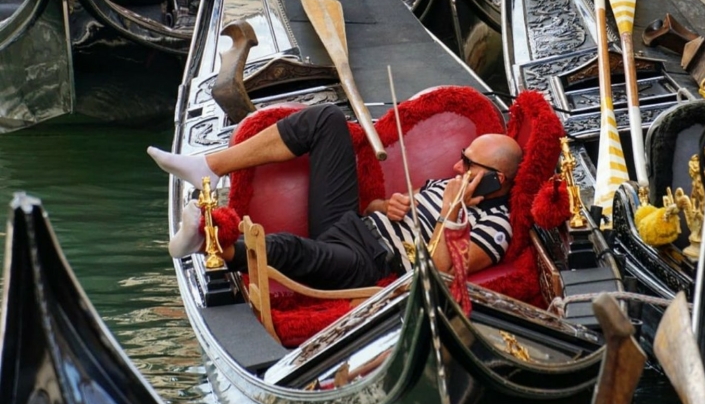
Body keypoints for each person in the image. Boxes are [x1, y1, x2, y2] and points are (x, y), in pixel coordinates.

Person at [148, 105, 522, 290]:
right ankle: (209, 166)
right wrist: (385, 206)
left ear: (496, 180)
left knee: (294, 249)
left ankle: (207, 243)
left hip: (368, 263)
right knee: (327, 119)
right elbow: (375, 209)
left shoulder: (496, 225)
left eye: (468, 163)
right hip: (352, 224)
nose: (457, 167)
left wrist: (450, 211)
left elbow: (442, 271)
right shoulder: (445, 185)